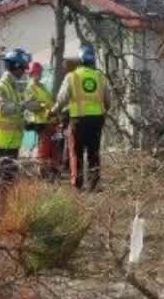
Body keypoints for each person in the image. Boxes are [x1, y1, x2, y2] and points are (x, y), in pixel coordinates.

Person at [52, 44, 112, 191]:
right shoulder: (99, 76)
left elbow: (62, 99)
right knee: (93, 152)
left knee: (76, 153)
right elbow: (108, 100)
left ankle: (78, 185)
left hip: (78, 120)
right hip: (96, 121)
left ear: (80, 59)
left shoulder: (72, 76)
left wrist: (53, 111)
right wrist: (103, 110)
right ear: (93, 60)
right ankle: (94, 184)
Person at [0, 48, 36, 190]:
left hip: (11, 143)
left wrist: (27, 124)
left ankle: (6, 209)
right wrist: (23, 105)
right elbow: (3, 109)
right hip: (2, 144)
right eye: (23, 68)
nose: (24, 72)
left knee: (10, 182)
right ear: (16, 66)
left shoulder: (12, 87)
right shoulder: (1, 87)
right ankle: (2, 210)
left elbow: (16, 112)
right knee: (5, 183)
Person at [25, 60, 59, 180]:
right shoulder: (30, 87)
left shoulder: (42, 86)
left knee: (53, 147)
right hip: (41, 122)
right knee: (44, 149)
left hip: (51, 120)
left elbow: (49, 101)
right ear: (31, 73)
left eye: (40, 73)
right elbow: (30, 105)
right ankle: (42, 172)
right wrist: (43, 107)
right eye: (36, 73)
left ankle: (53, 171)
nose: (39, 75)